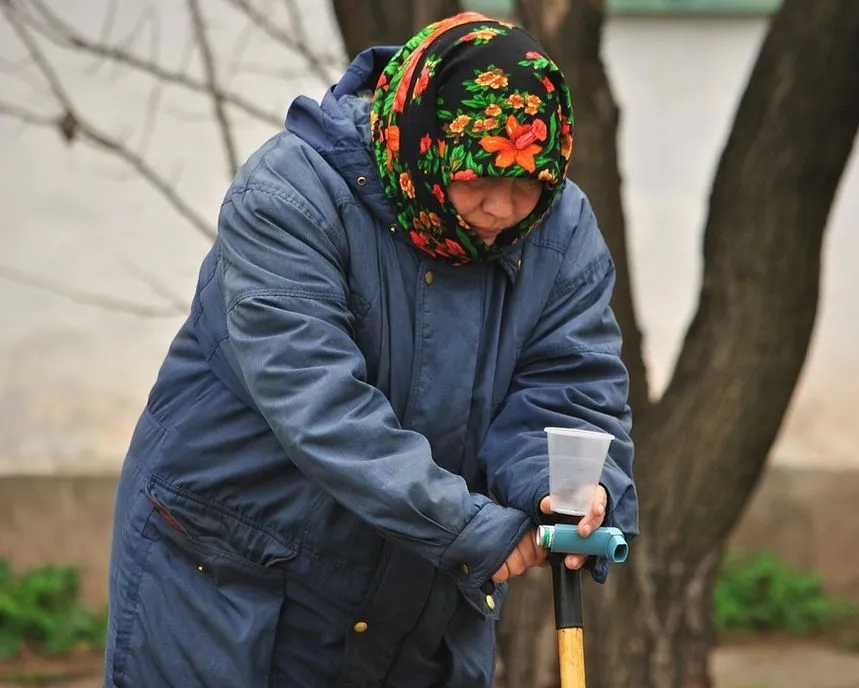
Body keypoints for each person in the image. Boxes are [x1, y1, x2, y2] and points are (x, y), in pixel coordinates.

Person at [103, 10, 638, 688]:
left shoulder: (560, 231)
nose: (503, 209)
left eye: (526, 184)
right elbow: (320, 406)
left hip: (412, 596)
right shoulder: (290, 197)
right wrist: (477, 531)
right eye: (478, 178)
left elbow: (568, 388)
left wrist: (569, 491)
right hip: (230, 578)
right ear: (424, 141)